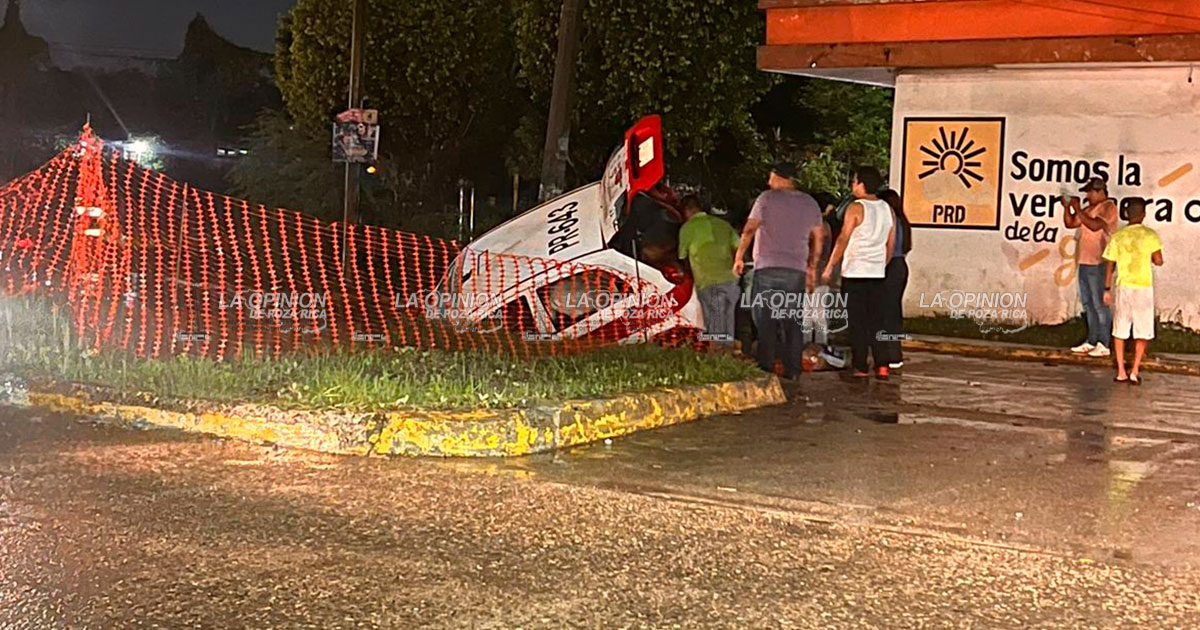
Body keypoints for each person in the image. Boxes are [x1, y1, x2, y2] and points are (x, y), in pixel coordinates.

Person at [734, 163, 825, 379]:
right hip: (795, 271)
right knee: (792, 322)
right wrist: (812, 268)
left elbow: (749, 230)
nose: (768, 182)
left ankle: (766, 369)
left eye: (771, 177)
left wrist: (739, 257)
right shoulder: (810, 203)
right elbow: (819, 239)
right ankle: (792, 371)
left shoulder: (766, 199)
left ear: (779, 177)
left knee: (765, 321)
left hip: (767, 268)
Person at [823, 166, 895, 379]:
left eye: (854, 182)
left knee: (857, 322)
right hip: (877, 273)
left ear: (862, 184)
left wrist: (830, 265)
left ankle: (861, 366)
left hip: (855, 273)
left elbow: (843, 238)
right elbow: (890, 243)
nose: (853, 186)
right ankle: (882, 364)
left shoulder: (856, 208)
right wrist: (882, 263)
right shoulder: (887, 209)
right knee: (876, 321)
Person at [1102, 198, 1163, 385]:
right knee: (1142, 330)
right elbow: (1158, 260)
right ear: (1143, 214)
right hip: (1143, 287)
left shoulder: (1118, 237)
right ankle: (1135, 370)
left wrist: (1106, 289)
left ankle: (1120, 371)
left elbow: (1109, 265)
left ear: (1127, 214)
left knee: (1120, 328)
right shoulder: (1151, 235)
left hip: (1124, 286)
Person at [1061, 177, 1119, 358]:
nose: (1087, 195)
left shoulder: (1109, 207)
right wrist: (1067, 208)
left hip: (1099, 262)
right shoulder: (1088, 209)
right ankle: (1092, 340)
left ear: (1100, 191)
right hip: (1084, 261)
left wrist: (1078, 209)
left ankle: (1104, 342)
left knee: (1099, 304)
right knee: (1088, 304)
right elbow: (1071, 223)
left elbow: (1094, 226)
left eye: (1090, 192)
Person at [678, 195, 740, 348]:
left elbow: (682, 256)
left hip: (707, 280)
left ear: (686, 210)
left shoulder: (687, 228)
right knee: (728, 319)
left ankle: (720, 358)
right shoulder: (723, 224)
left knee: (715, 324)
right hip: (731, 280)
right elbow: (739, 248)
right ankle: (728, 355)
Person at [879, 189, 913, 370]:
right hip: (900, 266)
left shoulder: (891, 222)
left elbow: (888, 248)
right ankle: (894, 353)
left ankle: (889, 353)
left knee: (886, 313)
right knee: (892, 311)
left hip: (890, 266)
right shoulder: (903, 222)